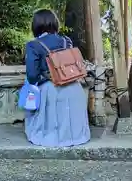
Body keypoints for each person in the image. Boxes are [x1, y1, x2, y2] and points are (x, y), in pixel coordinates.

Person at [24, 9, 90, 147]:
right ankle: (75, 137)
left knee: (30, 92)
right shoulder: (66, 41)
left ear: (35, 25)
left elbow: (31, 76)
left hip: (51, 90)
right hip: (74, 88)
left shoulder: (33, 45)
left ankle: (51, 137)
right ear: (55, 23)